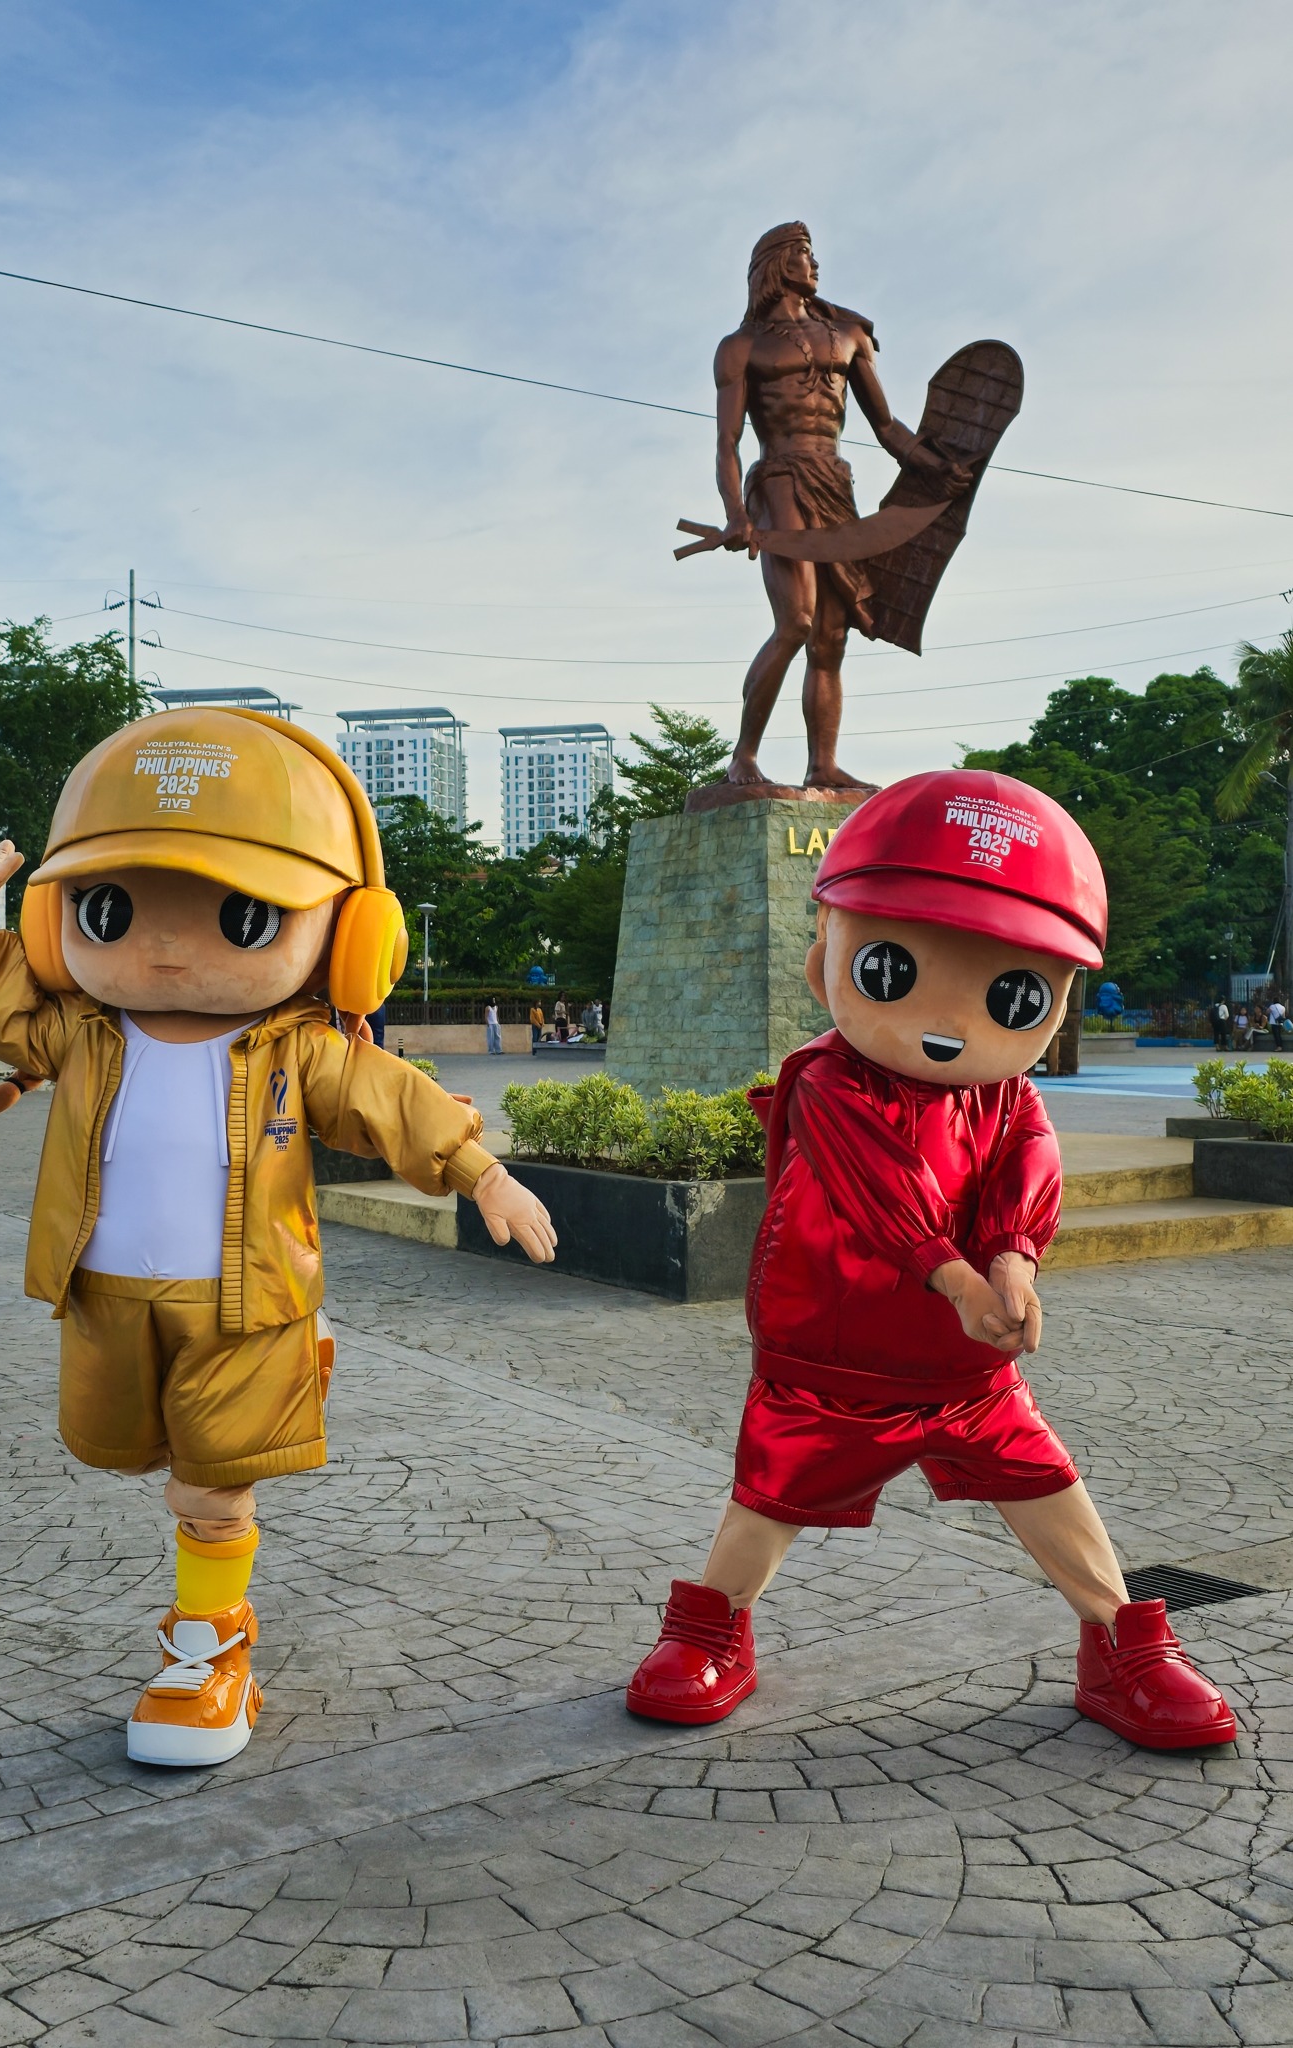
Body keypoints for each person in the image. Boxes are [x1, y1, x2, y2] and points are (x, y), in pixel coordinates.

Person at [0, 708, 556, 1769]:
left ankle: (209, 1648)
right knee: (134, 1454)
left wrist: (476, 1169)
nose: (166, 945)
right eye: (112, 908)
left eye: (243, 915)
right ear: (54, 920)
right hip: (103, 1294)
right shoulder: (80, 1031)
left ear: (351, 940)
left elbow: (386, 1096)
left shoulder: (296, 1047)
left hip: (249, 1302)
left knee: (210, 1486)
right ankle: (209, 1629)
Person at [625, 769, 1237, 1752]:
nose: (950, 1026)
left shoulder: (1007, 1095)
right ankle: (712, 1628)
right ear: (825, 948)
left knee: (1046, 1484)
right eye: (889, 970)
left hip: (964, 1366)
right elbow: (879, 1187)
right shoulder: (828, 1080)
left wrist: (1015, 1260)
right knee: (770, 1495)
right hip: (834, 1354)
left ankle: (1120, 1642)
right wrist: (955, 1275)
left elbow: (1025, 1166)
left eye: (1014, 995)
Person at [713, 222, 971, 790]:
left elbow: (888, 428)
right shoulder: (742, 346)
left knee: (831, 635)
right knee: (796, 621)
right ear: (779, 263)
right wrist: (736, 513)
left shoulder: (849, 335)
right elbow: (727, 442)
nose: (815, 264)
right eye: (805, 254)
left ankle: (822, 764)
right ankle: (743, 757)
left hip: (835, 482)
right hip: (779, 479)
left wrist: (935, 469)